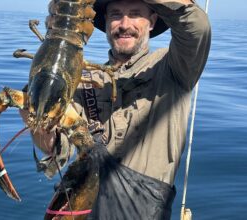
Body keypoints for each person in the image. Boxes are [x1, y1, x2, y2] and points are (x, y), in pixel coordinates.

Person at [22, 0, 211, 219]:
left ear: (151, 21)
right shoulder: (82, 81)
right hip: (80, 208)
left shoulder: (173, 67)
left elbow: (197, 28)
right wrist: (36, 121)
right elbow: (58, 149)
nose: (124, 24)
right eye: (116, 15)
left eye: (134, 14)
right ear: (106, 22)